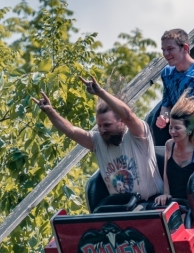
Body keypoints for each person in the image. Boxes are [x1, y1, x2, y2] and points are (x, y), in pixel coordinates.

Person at [35, 76, 162, 204]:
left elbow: (128, 115)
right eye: (99, 126)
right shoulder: (97, 141)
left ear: (121, 122)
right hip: (120, 208)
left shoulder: (138, 134)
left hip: (150, 204)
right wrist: (50, 112)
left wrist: (100, 92)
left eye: (107, 125)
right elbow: (71, 131)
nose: (102, 130)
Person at [149, 29, 194, 146]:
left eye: (170, 49)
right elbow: (166, 105)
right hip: (178, 129)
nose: (166, 54)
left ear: (185, 48)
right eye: (163, 50)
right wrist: (163, 117)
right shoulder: (167, 73)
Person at [154, 94, 194, 208]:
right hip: (174, 205)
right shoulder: (169, 145)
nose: (172, 131)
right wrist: (165, 194)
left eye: (177, 128)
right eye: (170, 127)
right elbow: (166, 174)